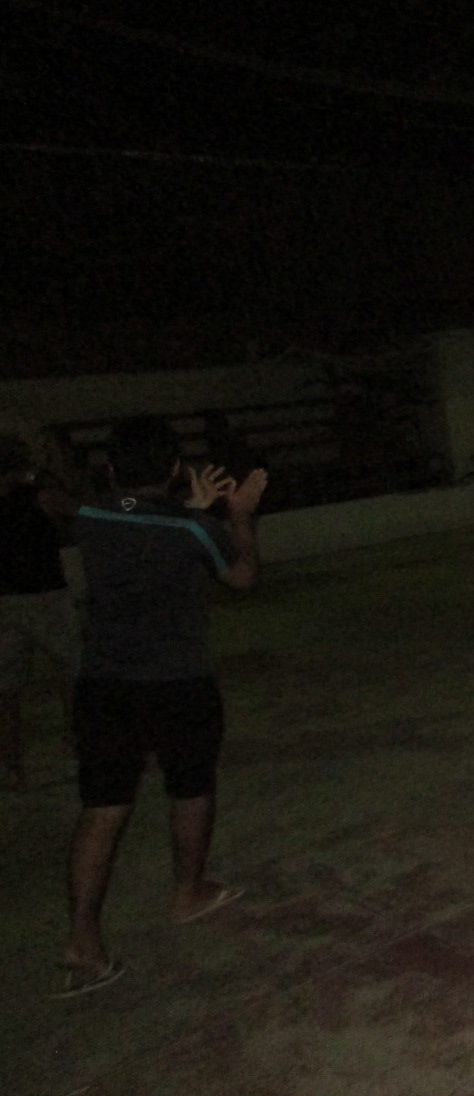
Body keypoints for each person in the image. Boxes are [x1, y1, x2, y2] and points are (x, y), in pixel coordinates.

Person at [59, 417, 266, 998]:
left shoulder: (88, 516)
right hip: (178, 681)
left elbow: (138, 518)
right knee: (191, 788)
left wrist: (189, 507)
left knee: (102, 808)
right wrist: (239, 515)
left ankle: (82, 939)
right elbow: (242, 577)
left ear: (110, 469)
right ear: (174, 467)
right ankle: (188, 892)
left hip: (103, 684)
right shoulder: (193, 528)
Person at [0, 435, 81, 790]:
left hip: (4, 599)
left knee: (6, 691)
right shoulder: (40, 496)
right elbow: (79, 512)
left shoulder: (36, 495)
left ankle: (10, 765)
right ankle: (77, 749)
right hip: (46, 596)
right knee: (72, 675)